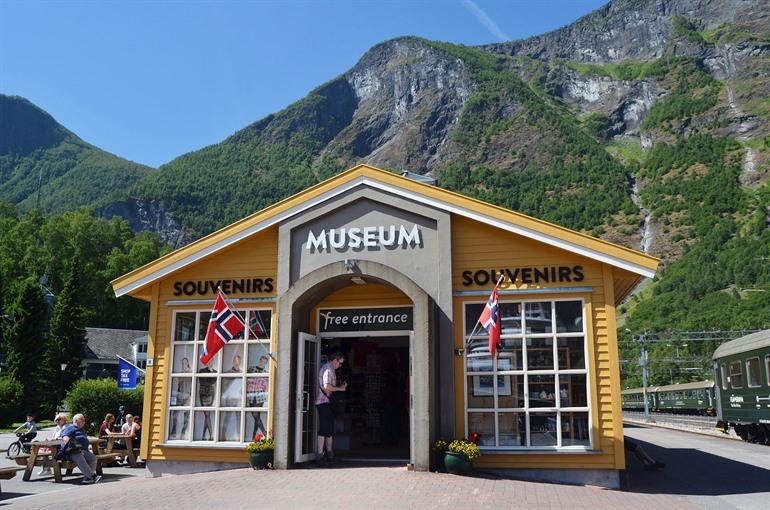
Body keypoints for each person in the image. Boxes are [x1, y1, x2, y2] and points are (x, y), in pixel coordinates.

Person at [315, 352, 347, 465]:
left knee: (329, 429)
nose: (340, 365)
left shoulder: (329, 369)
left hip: (326, 402)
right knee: (324, 429)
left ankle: (329, 454)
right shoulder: (328, 370)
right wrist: (340, 389)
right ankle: (320, 456)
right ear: (335, 360)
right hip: (323, 402)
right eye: (340, 363)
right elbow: (327, 386)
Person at [60, 413, 100, 484]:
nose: (84, 421)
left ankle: (87, 478)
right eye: (82, 419)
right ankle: (92, 476)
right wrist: (72, 444)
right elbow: (65, 437)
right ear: (75, 420)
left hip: (82, 450)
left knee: (93, 458)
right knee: (80, 458)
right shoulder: (70, 427)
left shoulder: (81, 429)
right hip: (72, 452)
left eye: (84, 420)